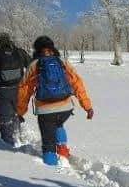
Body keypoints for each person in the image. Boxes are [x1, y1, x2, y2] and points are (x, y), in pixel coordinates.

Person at [17, 36, 94, 165]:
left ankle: (50, 167)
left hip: (45, 110)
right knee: (58, 123)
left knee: (48, 142)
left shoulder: (34, 65)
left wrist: (20, 111)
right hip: (65, 109)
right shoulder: (62, 62)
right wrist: (87, 107)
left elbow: (24, 90)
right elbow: (77, 84)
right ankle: (63, 149)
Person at [0, 32, 31, 144]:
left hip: (1, 90)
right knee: (16, 113)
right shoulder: (19, 51)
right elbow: (32, 66)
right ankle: (17, 133)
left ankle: (6, 146)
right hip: (18, 88)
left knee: (4, 119)